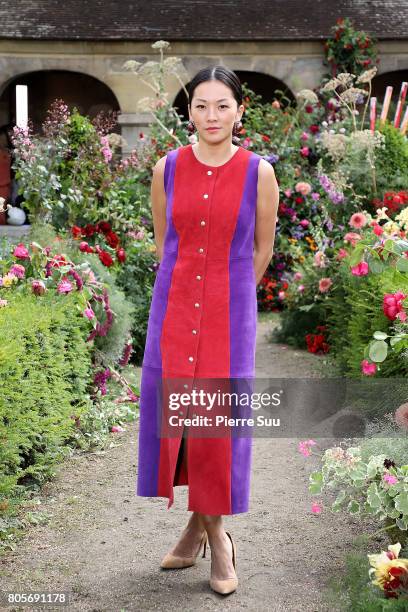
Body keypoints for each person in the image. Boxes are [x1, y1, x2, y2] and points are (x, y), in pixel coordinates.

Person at [136, 65, 279, 595]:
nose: (211, 116)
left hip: (228, 312)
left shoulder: (259, 172)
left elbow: (262, 249)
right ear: (189, 111)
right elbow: (163, 243)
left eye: (223, 105)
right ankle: (206, 529)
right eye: (201, 105)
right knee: (180, 418)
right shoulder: (167, 168)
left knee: (214, 425)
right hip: (174, 310)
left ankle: (214, 537)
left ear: (241, 111)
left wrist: (229, 292)